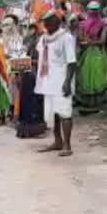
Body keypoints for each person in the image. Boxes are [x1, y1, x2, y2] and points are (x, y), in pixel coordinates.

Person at [35, 11, 77, 156]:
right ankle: (57, 141)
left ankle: (67, 145)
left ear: (57, 22)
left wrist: (67, 82)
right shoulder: (44, 39)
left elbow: (72, 62)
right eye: (45, 22)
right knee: (54, 113)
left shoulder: (66, 37)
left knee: (65, 112)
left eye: (49, 22)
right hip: (48, 82)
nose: (46, 25)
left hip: (61, 81)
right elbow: (39, 57)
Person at [75, 1, 107, 114]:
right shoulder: (85, 24)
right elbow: (82, 40)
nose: (93, 12)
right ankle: (90, 104)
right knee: (88, 77)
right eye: (92, 9)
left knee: (94, 77)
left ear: (99, 10)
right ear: (88, 10)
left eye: (95, 9)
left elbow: (102, 40)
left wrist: (88, 42)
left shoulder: (103, 24)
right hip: (90, 54)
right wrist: (90, 42)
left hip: (93, 53)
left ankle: (93, 104)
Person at [16, 22, 47, 138]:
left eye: (29, 27)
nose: (27, 29)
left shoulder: (41, 41)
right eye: (25, 27)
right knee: (25, 102)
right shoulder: (23, 41)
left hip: (36, 74)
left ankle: (36, 128)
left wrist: (31, 62)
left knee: (36, 101)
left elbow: (43, 59)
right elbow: (18, 58)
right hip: (25, 74)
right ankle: (25, 128)